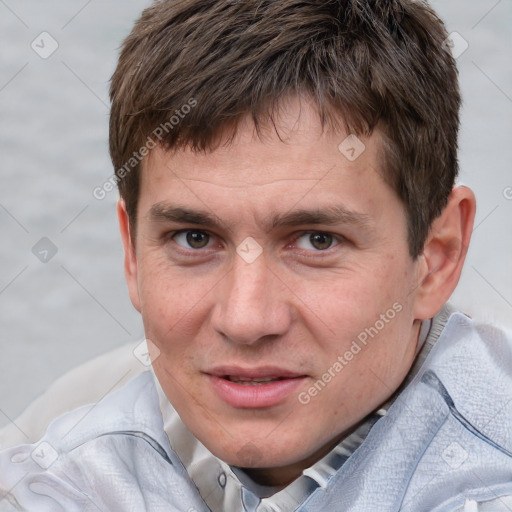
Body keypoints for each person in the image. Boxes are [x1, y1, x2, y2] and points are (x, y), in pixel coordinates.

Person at [1, 0, 511, 510]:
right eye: (194, 238)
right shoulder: (58, 438)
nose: (245, 320)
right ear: (132, 253)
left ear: (437, 256)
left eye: (317, 240)